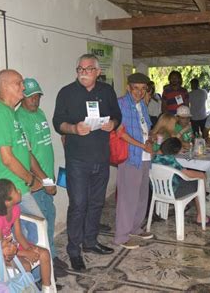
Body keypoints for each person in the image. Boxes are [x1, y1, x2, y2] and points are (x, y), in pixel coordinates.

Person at [52, 54, 122, 271]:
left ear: (98, 72)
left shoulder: (106, 91)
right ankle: (74, 250)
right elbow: (57, 122)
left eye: (88, 69)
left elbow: (117, 115)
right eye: (80, 69)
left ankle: (90, 242)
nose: (83, 72)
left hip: (101, 159)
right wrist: (73, 129)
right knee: (78, 205)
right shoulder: (66, 92)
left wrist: (112, 124)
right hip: (78, 161)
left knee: (96, 203)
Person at [16, 78, 68, 276]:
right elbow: (27, 157)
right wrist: (45, 181)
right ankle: (43, 269)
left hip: (47, 179)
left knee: (49, 218)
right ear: (22, 97)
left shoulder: (40, 113)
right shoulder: (18, 119)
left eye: (37, 96)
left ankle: (51, 257)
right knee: (38, 226)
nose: (35, 100)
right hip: (36, 184)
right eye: (31, 97)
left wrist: (50, 178)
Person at [0, 69, 46, 218]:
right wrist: (31, 180)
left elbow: (22, 149)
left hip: (18, 186)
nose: (23, 87)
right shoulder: (0, 114)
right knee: (38, 230)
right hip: (10, 189)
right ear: (4, 86)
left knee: (27, 233)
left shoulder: (10, 112)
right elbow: (7, 158)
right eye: (18, 83)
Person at [0, 179, 53, 292]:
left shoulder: (15, 209)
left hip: (11, 245)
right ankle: (28, 290)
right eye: (15, 190)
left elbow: (18, 234)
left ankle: (47, 288)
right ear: (7, 201)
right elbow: (0, 248)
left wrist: (29, 248)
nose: (19, 190)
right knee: (26, 266)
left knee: (44, 253)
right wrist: (26, 253)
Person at [114, 73, 154, 250]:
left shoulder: (142, 105)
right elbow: (120, 133)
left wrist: (150, 141)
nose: (139, 92)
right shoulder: (121, 104)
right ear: (128, 88)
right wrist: (141, 145)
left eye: (143, 89)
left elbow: (147, 128)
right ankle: (121, 236)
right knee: (127, 197)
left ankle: (135, 228)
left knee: (141, 195)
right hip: (130, 156)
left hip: (145, 157)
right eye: (136, 88)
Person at [152, 137, 210, 225]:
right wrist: (201, 175)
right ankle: (201, 216)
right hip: (173, 191)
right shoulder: (170, 160)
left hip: (157, 190)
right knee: (198, 182)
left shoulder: (153, 157)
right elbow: (186, 173)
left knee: (189, 180)